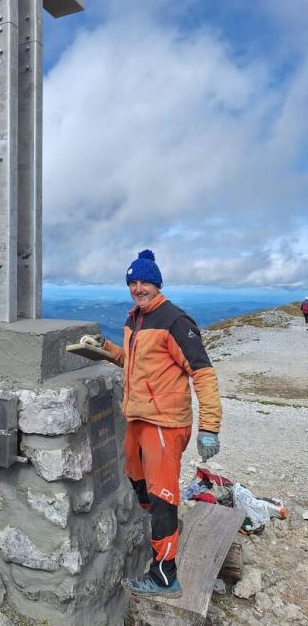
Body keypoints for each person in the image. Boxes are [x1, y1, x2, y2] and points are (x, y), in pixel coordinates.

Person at [99, 249, 222, 598]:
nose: (138, 287)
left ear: (157, 283)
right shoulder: (134, 319)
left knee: (163, 497)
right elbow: (133, 362)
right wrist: (105, 348)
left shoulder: (174, 321)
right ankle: (166, 529)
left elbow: (203, 373)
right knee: (138, 483)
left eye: (145, 282)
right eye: (133, 282)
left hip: (165, 426)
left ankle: (165, 577)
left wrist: (209, 426)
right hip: (138, 419)